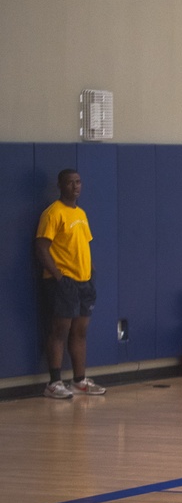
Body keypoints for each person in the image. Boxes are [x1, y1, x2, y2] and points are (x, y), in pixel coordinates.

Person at [35, 168, 106, 399]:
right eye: (70, 183)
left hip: (84, 282)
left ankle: (79, 380)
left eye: (78, 182)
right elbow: (42, 248)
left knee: (80, 332)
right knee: (60, 332)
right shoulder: (53, 213)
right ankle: (54, 383)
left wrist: (91, 272)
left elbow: (84, 245)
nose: (75, 186)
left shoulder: (81, 214)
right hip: (63, 282)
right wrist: (58, 276)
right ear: (60, 186)